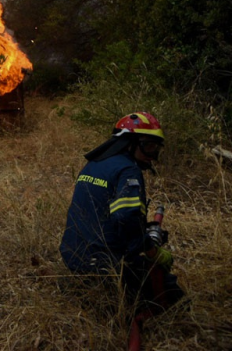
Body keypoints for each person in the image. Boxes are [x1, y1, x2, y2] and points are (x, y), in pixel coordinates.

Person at [59, 112, 185, 316]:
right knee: (173, 294)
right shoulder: (128, 171)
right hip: (101, 265)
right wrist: (152, 251)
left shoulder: (95, 164)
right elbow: (126, 218)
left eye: (155, 147)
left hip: (72, 255)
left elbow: (105, 215)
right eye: (148, 146)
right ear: (130, 142)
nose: (151, 154)